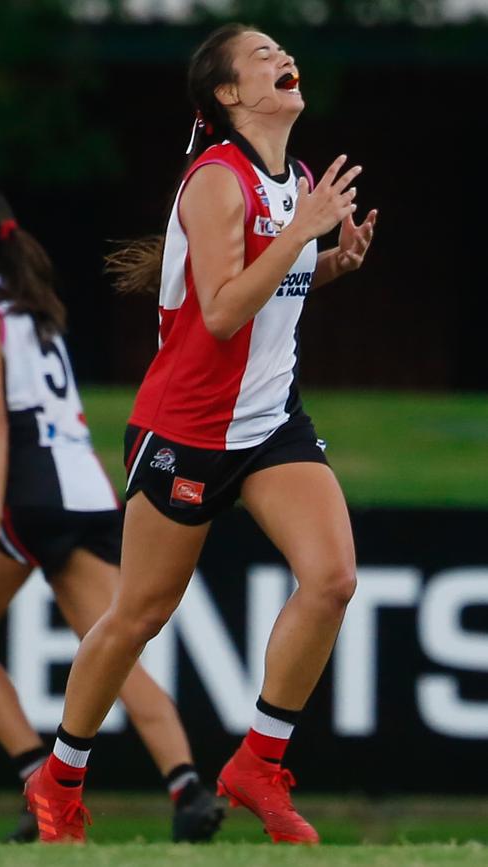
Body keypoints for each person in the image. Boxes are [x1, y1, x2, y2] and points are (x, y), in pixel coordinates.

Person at [24, 22, 378, 845]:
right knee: (137, 615)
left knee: (331, 579)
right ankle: (59, 780)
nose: (282, 57)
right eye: (260, 55)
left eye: (282, 48)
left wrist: (330, 264)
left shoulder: (291, 178)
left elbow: (267, 289)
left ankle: (258, 760)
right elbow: (219, 311)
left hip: (269, 424)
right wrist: (304, 233)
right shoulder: (217, 180)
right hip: (186, 429)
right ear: (226, 95)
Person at [0, 185, 224, 844]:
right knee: (113, 646)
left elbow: (1, 425)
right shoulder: (33, 305)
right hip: (87, 490)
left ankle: (42, 790)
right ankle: (187, 787)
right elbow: (45, 420)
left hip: (32, 493)